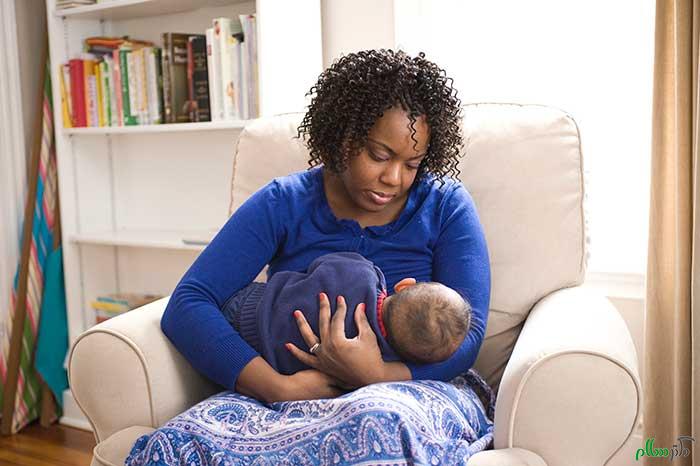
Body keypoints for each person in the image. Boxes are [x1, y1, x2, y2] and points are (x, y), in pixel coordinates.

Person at [161, 49, 491, 403]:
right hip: (291, 392)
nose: (394, 178)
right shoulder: (284, 202)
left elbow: (468, 333)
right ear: (343, 137)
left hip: (408, 395)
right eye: (379, 156)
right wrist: (277, 387)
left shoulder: (444, 205)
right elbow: (189, 304)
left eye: (412, 164)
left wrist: (376, 376)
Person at [221, 251, 471, 375]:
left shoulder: (362, 272)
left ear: (404, 285)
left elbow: (319, 264)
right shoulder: (372, 362)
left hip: (247, 306)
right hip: (265, 361)